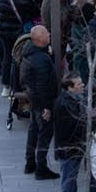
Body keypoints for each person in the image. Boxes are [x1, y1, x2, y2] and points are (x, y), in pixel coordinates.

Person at [21, 24, 59, 178]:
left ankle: (30, 163)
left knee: (33, 130)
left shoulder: (31, 52)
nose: (49, 34)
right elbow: (44, 85)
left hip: (33, 100)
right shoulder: (41, 60)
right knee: (45, 134)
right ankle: (41, 168)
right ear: (40, 40)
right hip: (41, 103)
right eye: (47, 34)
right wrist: (47, 108)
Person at [54, 71, 88, 192]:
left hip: (71, 148)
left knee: (68, 183)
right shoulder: (67, 104)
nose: (83, 86)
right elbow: (76, 125)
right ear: (70, 88)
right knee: (69, 184)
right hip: (70, 150)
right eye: (79, 84)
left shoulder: (70, 101)